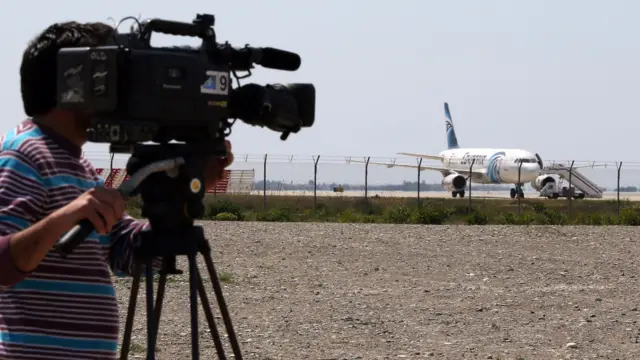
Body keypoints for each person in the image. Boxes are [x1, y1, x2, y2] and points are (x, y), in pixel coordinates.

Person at [0, 21, 234, 359]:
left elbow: (125, 251)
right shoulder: (25, 154)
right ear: (75, 82)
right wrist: (66, 217)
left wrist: (189, 190)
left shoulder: (75, 164)